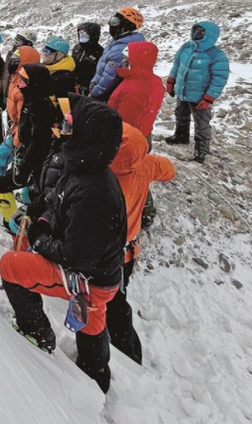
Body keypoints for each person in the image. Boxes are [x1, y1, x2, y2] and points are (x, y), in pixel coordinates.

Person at [0, 96, 126, 393]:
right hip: (97, 275)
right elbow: (57, 204)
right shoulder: (82, 166)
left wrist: (41, 240)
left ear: (86, 136)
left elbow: (75, 256)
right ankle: (96, 372)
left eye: (70, 126)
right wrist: (42, 220)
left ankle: (39, 334)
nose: (62, 129)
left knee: (10, 267)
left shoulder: (95, 191)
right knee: (91, 320)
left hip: (88, 277)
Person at [107, 123, 175, 365]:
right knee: (117, 301)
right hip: (125, 252)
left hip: (99, 250)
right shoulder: (144, 166)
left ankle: (120, 354)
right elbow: (169, 170)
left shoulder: (95, 167)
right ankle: (129, 354)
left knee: (105, 300)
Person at [0, 64, 58, 226]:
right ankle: (13, 222)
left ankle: (14, 225)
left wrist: (23, 171)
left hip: (38, 168)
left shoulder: (42, 110)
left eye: (23, 81)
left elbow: (38, 147)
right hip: (29, 162)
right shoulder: (32, 103)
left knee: (4, 186)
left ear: (34, 84)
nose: (18, 84)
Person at [165, 21, 230, 163]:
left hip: (200, 97)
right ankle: (181, 137)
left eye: (201, 32)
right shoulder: (186, 47)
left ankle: (201, 151)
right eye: (195, 31)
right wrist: (171, 81)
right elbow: (177, 65)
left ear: (209, 35)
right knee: (180, 115)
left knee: (201, 124)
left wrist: (208, 98)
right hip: (183, 91)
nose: (196, 34)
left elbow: (219, 78)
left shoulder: (217, 55)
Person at [108, 42, 164, 148]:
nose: (123, 60)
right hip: (143, 133)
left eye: (127, 58)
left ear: (136, 60)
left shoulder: (134, 89)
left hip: (128, 142)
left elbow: (127, 124)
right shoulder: (154, 80)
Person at [90, 7, 145, 101]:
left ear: (127, 25)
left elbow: (110, 77)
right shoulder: (116, 42)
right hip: (107, 91)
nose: (111, 25)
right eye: (112, 20)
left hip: (107, 95)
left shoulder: (122, 48)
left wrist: (95, 93)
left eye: (115, 22)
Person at [0, 31, 40, 102]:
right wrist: (1, 91)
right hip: (8, 92)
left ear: (27, 43)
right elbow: (5, 74)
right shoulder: (12, 54)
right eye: (16, 40)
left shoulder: (32, 57)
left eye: (19, 41)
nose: (16, 44)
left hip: (20, 95)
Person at [72, 22, 104, 94]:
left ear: (93, 36)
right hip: (74, 85)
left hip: (89, 87)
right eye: (80, 34)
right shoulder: (77, 48)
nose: (82, 36)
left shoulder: (100, 52)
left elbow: (100, 72)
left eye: (85, 34)